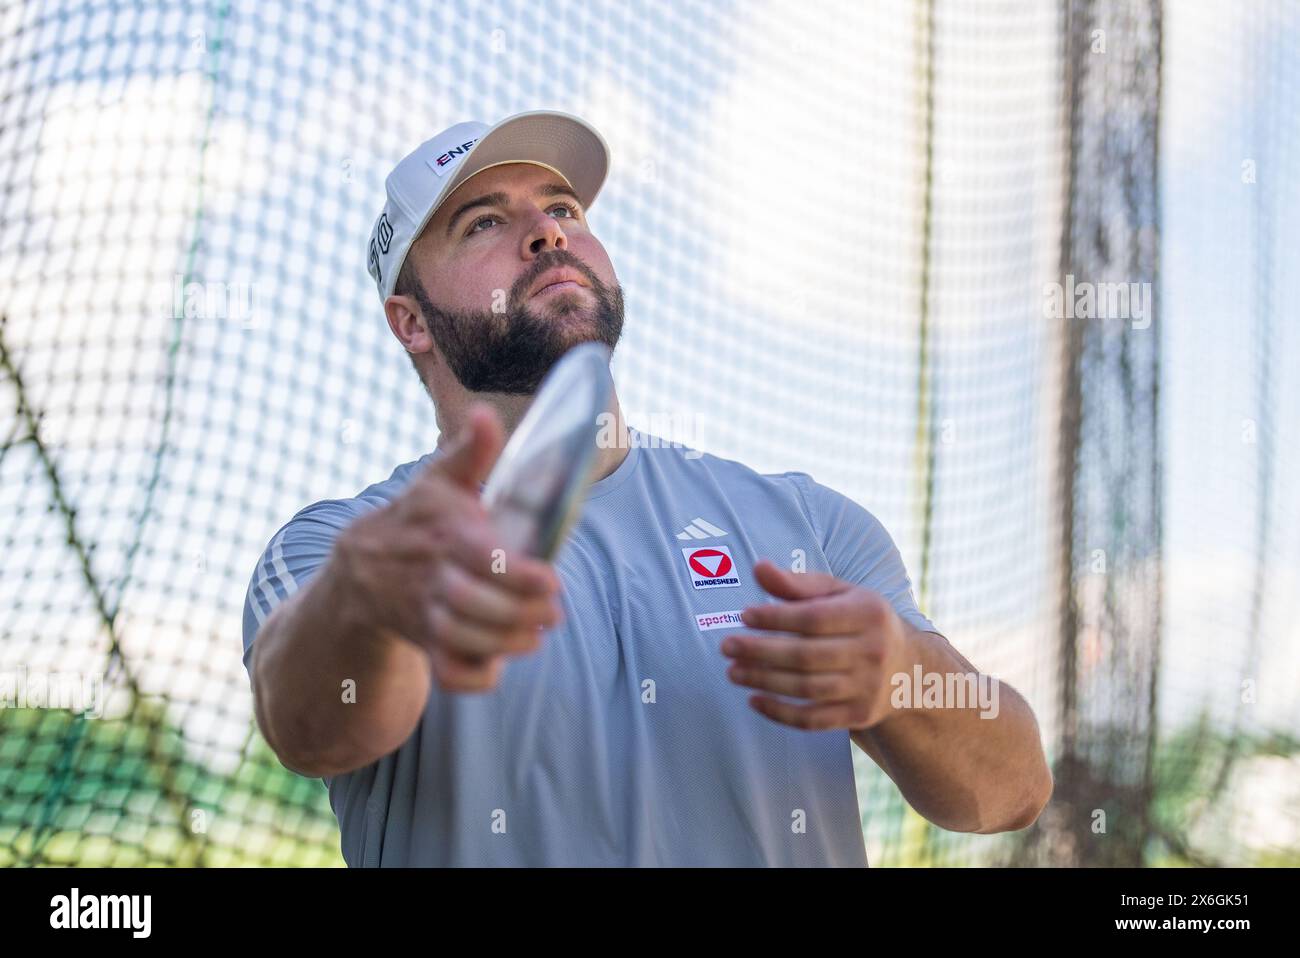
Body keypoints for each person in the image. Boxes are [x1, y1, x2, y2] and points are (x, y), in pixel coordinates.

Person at [241, 110, 1053, 866]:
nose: (547, 231)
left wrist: (900, 673)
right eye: (484, 221)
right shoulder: (345, 548)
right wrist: (364, 606)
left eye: (563, 207)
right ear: (409, 321)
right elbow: (312, 726)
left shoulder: (802, 521)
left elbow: (1012, 790)